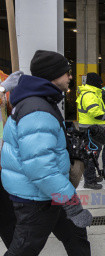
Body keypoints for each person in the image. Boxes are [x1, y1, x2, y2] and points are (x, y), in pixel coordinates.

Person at [1, 50, 92, 255]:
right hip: (36, 199)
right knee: (24, 250)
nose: (70, 77)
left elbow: (49, 144)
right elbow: (41, 168)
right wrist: (72, 204)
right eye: (67, 72)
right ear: (53, 75)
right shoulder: (37, 109)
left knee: (77, 235)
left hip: (51, 193)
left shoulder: (41, 102)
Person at [0, 71, 23, 249]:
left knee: (9, 218)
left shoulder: (2, 76)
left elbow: (9, 113)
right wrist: (2, 89)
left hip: (4, 162)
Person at [77, 72, 105, 190]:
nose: (101, 84)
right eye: (99, 82)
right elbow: (95, 113)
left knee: (93, 155)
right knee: (91, 155)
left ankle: (92, 177)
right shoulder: (89, 95)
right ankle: (89, 181)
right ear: (95, 83)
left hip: (92, 130)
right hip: (90, 131)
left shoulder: (92, 93)